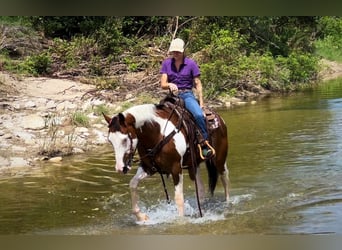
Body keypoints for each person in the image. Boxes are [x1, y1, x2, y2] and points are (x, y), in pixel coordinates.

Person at [160, 38, 214, 159]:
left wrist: (201, 102)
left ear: (183, 51)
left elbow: (198, 83)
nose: (175, 54)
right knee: (158, 114)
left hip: (187, 94)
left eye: (178, 52)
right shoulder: (166, 64)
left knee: (199, 115)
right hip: (172, 95)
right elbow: (163, 84)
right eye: (173, 52)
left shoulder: (191, 64)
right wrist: (169, 84)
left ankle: (204, 143)